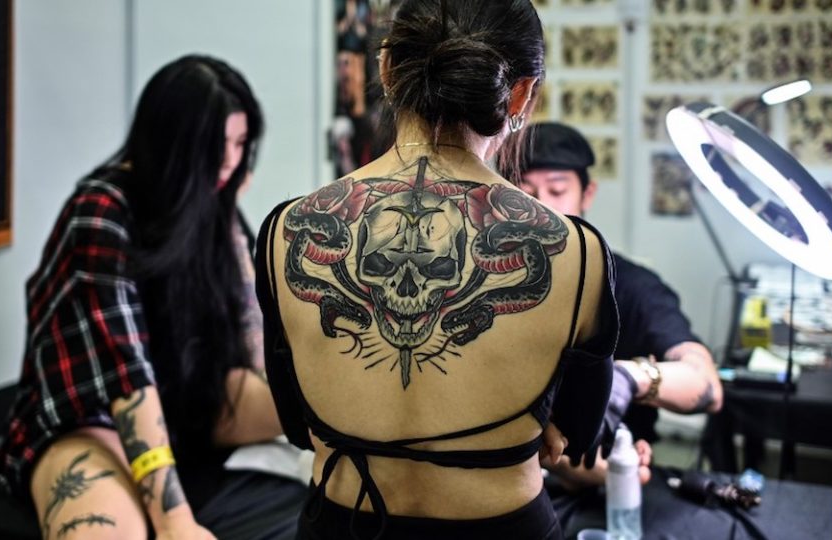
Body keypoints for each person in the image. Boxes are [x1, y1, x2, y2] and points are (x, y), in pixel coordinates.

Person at [255, 1, 620, 539]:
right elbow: (574, 436)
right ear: (521, 94)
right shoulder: (577, 250)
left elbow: (297, 425)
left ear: (385, 70)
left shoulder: (287, 230)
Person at [0, 55, 289, 540]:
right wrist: (175, 520)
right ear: (173, 144)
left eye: (240, 145)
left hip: (189, 405)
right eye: (216, 147)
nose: (231, 161)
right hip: (92, 418)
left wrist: (231, 224)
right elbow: (127, 380)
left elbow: (255, 351)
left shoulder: (213, 207)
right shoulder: (100, 211)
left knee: (318, 408)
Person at [521, 121, 723, 491]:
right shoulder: (490, 288)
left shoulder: (633, 288)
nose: (541, 207)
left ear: (587, 193)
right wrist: (560, 464)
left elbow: (705, 382)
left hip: (616, 483)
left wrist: (628, 379)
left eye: (557, 190)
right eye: (525, 191)